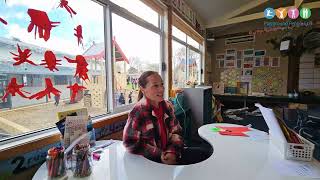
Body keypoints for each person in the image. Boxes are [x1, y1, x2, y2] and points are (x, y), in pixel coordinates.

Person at [123, 71, 212, 165]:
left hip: (172, 154)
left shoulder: (167, 106)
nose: (161, 89)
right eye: (155, 86)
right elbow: (130, 142)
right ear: (143, 89)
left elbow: (177, 132)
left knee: (207, 153)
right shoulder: (138, 112)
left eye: (162, 84)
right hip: (151, 161)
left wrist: (172, 152)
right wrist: (160, 154)